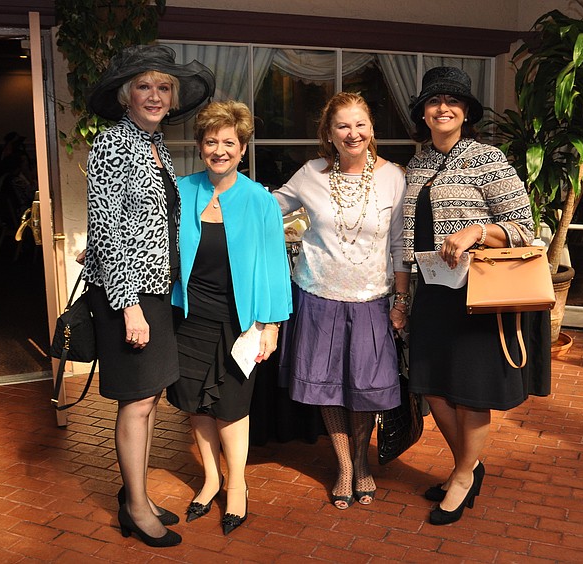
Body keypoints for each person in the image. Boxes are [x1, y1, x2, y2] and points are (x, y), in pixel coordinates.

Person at [402, 66, 551, 526]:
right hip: (430, 291)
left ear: (465, 112)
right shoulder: (419, 163)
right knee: (432, 388)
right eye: (434, 102)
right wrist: (402, 294)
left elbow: (529, 230)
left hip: (476, 295)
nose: (442, 108)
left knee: (470, 391)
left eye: (452, 102)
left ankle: (463, 477)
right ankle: (470, 464)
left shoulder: (488, 159)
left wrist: (478, 230)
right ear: (424, 114)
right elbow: (407, 233)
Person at [83, 44, 214, 548]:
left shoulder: (153, 145)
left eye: (164, 87)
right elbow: (109, 228)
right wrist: (130, 304)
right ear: (125, 95)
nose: (155, 95)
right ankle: (136, 508)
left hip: (155, 289)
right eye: (144, 86)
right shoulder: (113, 143)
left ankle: (132, 492)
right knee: (137, 403)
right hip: (129, 297)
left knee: (149, 398)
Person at [272, 92, 410, 510]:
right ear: (329, 134)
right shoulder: (309, 174)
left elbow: (400, 241)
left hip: (372, 299)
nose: (353, 134)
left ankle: (362, 461)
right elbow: (268, 209)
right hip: (318, 297)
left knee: (365, 389)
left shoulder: (394, 177)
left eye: (360, 125)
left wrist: (401, 299)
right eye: (342, 126)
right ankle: (345, 468)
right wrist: (217, 194)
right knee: (329, 389)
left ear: (372, 129)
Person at [166, 100, 292, 535]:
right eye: (211, 141)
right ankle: (210, 478)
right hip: (188, 315)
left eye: (228, 143)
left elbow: (276, 265)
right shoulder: (182, 191)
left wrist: (271, 325)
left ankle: (236, 485)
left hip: (240, 320)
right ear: (200, 146)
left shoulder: (260, 200)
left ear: (242, 148)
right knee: (196, 403)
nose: (219, 150)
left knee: (232, 406)